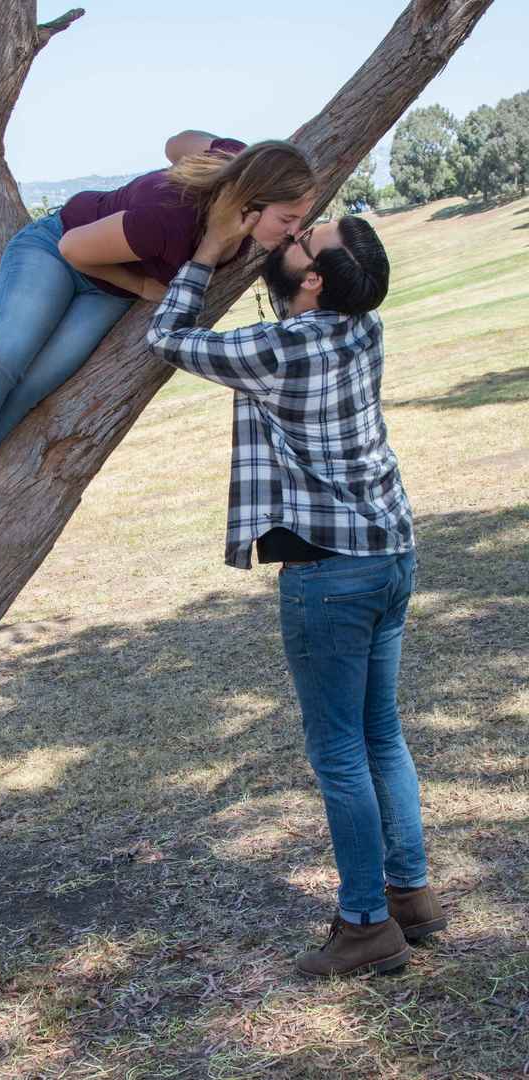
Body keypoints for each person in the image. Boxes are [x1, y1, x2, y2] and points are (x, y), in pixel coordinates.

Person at [146, 193, 447, 978]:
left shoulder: (279, 350)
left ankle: (365, 927)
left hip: (330, 574)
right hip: (389, 554)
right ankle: (410, 895)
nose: (293, 234)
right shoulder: (363, 326)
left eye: (305, 238)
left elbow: (168, 339)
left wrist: (207, 254)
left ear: (312, 282)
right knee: (381, 733)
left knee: (341, 752)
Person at [0, 134, 317, 570]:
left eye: (303, 219)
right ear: (250, 201)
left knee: (32, 390)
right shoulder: (167, 215)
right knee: (5, 359)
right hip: (57, 252)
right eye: (288, 219)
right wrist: (142, 283)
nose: (296, 233)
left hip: (104, 291)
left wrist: (215, 215)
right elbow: (73, 247)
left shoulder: (243, 179)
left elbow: (176, 143)